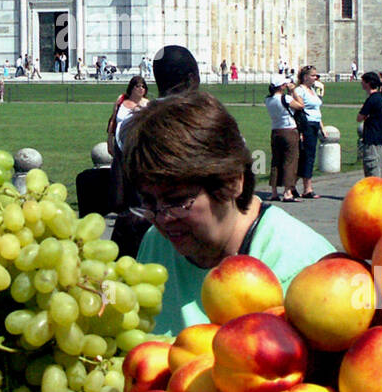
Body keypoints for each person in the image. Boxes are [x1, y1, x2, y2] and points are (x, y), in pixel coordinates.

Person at [120, 89, 333, 336]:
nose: (161, 219)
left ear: (232, 182)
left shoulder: (303, 271)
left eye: (177, 201)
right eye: (148, 202)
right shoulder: (156, 244)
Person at [264, 80, 301, 203]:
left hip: (275, 131)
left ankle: (274, 192)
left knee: (276, 161)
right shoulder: (286, 98)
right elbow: (301, 105)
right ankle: (287, 192)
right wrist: (293, 91)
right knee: (290, 161)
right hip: (289, 130)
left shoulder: (268, 100)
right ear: (281, 86)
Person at [293, 65, 324, 198]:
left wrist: (322, 127)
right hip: (306, 124)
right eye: (313, 75)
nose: (315, 78)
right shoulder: (300, 90)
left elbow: (317, 110)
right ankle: (307, 188)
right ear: (305, 77)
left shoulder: (312, 90)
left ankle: (292, 186)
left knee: (309, 155)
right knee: (307, 156)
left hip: (315, 123)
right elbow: (298, 110)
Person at [107, 76, 150, 158]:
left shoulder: (147, 104)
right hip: (119, 141)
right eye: (138, 86)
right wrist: (109, 140)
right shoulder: (121, 100)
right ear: (131, 87)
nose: (141, 89)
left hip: (138, 143)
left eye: (143, 86)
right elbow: (113, 120)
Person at [357, 71, 382, 178]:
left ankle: (374, 192)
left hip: (371, 137)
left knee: (372, 168)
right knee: (379, 166)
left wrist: (366, 116)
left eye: (363, 82)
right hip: (380, 137)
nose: (361, 84)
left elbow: (359, 117)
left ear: (368, 83)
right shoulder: (380, 98)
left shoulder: (371, 100)